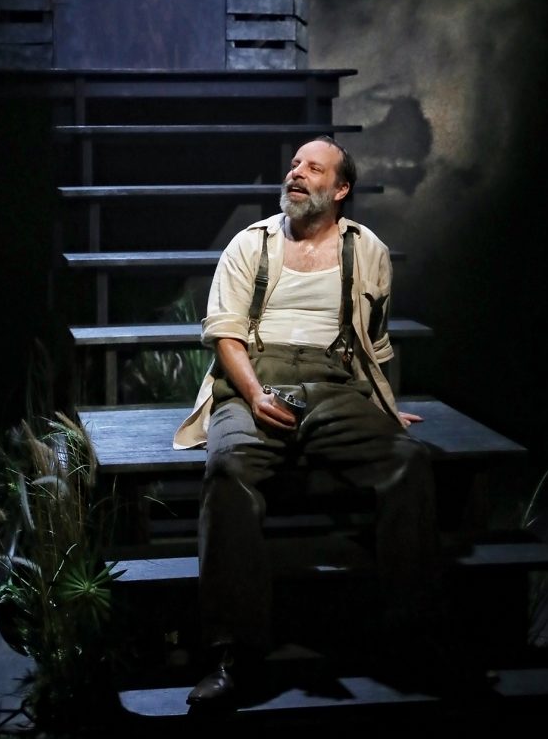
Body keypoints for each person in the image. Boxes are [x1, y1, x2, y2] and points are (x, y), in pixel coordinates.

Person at [173, 135, 444, 707]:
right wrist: (252, 394)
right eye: (295, 165)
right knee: (228, 471)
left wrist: (385, 409)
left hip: (332, 381)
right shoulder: (250, 245)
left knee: (408, 463)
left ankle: (408, 636)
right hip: (255, 373)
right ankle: (233, 654)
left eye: (314, 168)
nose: (297, 174)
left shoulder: (367, 250)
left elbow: (376, 343)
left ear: (340, 188)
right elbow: (225, 334)